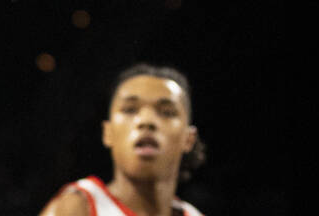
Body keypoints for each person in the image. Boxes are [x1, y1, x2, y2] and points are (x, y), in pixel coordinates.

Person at [39, 63, 207, 216]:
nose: (146, 121)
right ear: (108, 132)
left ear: (188, 139)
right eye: (130, 109)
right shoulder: (76, 208)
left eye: (166, 112)